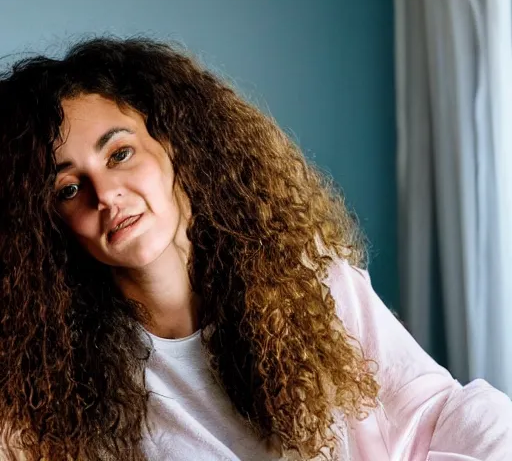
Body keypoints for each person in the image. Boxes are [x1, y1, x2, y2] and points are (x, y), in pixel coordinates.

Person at [0, 38, 510, 461]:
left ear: (173, 146)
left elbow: (439, 410)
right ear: (49, 225)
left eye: (121, 153)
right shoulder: (48, 381)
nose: (106, 194)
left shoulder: (306, 280)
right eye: (68, 188)